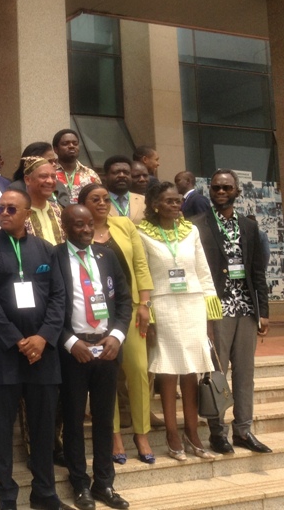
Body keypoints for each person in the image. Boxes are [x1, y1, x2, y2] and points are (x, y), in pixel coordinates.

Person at [0, 188, 71, 510]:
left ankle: (45, 491)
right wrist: (17, 339)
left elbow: (58, 297)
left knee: (43, 427)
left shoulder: (45, 250)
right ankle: (6, 492)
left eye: (11, 209)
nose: (4, 213)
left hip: (43, 352)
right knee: (2, 428)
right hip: (2, 352)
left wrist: (43, 338)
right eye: (0, 208)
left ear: (27, 214)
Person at [55, 205, 132, 510]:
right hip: (75, 351)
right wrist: (70, 342)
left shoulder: (106, 255)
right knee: (74, 420)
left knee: (104, 419)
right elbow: (49, 307)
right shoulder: (54, 257)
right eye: (78, 225)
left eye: (89, 224)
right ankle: (79, 484)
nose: (87, 230)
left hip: (107, 349)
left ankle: (104, 483)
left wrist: (117, 336)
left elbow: (124, 299)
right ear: (65, 227)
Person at [137, 181, 220, 461]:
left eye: (177, 201)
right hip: (163, 306)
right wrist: (149, 314)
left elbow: (203, 271)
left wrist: (210, 316)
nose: (175, 205)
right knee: (168, 371)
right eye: (169, 201)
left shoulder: (191, 231)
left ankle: (192, 432)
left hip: (192, 304)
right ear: (155, 205)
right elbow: (143, 276)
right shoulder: (143, 233)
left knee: (192, 371)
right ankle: (172, 434)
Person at [192, 170, 272, 455]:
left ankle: (243, 430)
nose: (221, 192)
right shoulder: (197, 225)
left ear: (237, 191)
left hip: (246, 309)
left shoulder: (249, 227)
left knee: (245, 373)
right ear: (210, 191)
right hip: (216, 310)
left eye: (227, 187)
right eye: (216, 187)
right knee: (217, 372)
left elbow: (257, 271)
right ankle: (217, 433)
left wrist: (263, 310)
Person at [77, 184, 155, 465]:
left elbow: (140, 265)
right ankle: (114, 435)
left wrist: (144, 304)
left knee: (138, 371)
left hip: (129, 310)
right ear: (83, 204)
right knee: (106, 374)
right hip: (95, 315)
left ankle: (142, 434)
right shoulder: (79, 231)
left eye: (105, 199)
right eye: (94, 199)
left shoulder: (124, 225)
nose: (102, 203)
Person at [9, 142, 70, 208]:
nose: (54, 165)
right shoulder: (16, 189)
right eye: (49, 161)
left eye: (54, 161)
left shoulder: (59, 185)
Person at [23, 156, 65, 245]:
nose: (50, 181)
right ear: (27, 180)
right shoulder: (13, 212)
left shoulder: (58, 210)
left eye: (53, 177)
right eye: (43, 176)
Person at [52, 129, 100, 204]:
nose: (71, 146)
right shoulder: (49, 173)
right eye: (65, 144)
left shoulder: (91, 174)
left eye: (75, 143)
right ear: (56, 149)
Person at [103, 155, 144, 225]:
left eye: (126, 172)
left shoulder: (144, 201)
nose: (122, 175)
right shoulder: (99, 203)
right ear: (106, 177)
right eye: (116, 172)